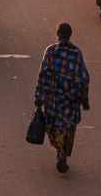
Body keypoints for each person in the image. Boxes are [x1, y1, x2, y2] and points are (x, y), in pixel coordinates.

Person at [34, 22, 90, 174]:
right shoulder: (76, 52)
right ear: (70, 35)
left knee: (53, 127)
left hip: (53, 99)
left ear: (57, 34)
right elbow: (84, 77)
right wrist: (84, 98)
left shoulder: (50, 51)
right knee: (69, 127)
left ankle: (59, 149)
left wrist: (39, 97)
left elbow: (43, 74)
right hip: (71, 100)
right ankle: (64, 151)